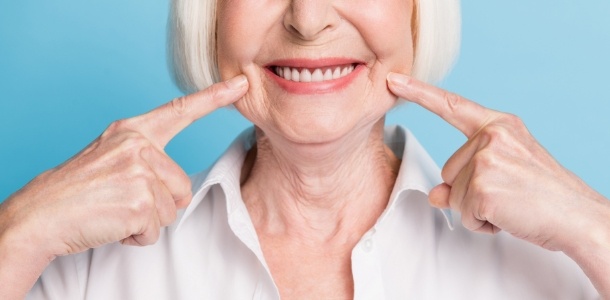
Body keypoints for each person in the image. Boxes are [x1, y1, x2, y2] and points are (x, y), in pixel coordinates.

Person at [0, 0, 608, 298]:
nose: (309, 19)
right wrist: (17, 232)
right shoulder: (82, 272)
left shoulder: (562, 263)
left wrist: (595, 229)